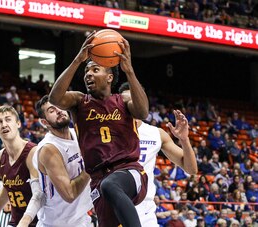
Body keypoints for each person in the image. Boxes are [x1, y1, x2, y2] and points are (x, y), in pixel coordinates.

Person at [49, 31, 149, 227]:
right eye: (86, 71)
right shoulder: (79, 101)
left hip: (128, 171)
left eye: (95, 70)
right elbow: (54, 98)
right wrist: (78, 60)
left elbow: (143, 112)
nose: (88, 74)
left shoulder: (124, 100)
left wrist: (129, 71)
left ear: (110, 77)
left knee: (111, 184)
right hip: (98, 180)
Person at [118, 82, 198, 226]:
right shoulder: (107, 131)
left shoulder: (156, 133)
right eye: (124, 101)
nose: (129, 105)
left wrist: (184, 140)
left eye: (133, 100)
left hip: (145, 211)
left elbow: (191, 169)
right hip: (114, 208)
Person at [33, 95, 93, 227]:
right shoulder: (48, 149)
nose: (59, 110)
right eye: (51, 110)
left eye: (59, 106)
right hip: (55, 224)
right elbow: (69, 194)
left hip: (81, 219)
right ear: (45, 122)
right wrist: (92, 164)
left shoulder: (79, 134)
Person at [0, 105, 44, 227]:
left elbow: (39, 194)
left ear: (18, 124)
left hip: (39, 221)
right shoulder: (0, 156)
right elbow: (8, 187)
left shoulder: (32, 152)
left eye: (8, 119)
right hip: (16, 221)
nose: (4, 124)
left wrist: (24, 223)